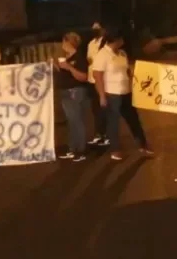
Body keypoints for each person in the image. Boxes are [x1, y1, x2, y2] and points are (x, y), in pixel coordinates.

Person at [92, 31, 154, 161]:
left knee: (134, 119)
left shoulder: (122, 54)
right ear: (115, 40)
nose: (123, 42)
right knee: (113, 123)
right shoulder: (102, 55)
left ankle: (142, 144)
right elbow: (97, 76)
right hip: (112, 93)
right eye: (121, 40)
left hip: (126, 92)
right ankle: (115, 150)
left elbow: (126, 71)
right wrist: (102, 96)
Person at [53, 32, 90, 162]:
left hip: (74, 92)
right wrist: (57, 66)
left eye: (63, 42)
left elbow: (83, 77)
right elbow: (66, 74)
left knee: (76, 121)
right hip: (66, 92)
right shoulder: (67, 57)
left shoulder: (79, 57)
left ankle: (80, 151)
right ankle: (72, 148)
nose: (62, 45)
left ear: (69, 42)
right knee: (71, 121)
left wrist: (68, 67)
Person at [86, 22, 109, 146]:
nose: (95, 31)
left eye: (97, 29)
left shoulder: (105, 43)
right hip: (91, 79)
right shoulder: (91, 43)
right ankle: (98, 134)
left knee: (103, 108)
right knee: (95, 109)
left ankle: (106, 135)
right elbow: (89, 58)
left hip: (101, 79)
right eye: (93, 29)